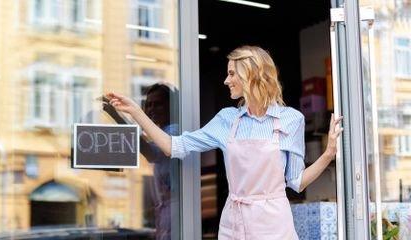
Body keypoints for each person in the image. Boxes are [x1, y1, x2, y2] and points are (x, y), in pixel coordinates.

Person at [105, 45, 343, 239]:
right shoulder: (227, 120)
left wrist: (328, 154)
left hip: (273, 226)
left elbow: (296, 182)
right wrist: (136, 112)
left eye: (231, 73)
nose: (226, 81)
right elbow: (173, 146)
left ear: (252, 73)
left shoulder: (291, 120)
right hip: (234, 223)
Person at [102, 83, 179, 240]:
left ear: (170, 106)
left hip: (176, 214)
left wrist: (118, 116)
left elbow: (150, 153)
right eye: (148, 105)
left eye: (157, 104)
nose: (151, 109)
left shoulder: (175, 130)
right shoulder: (163, 132)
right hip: (165, 214)